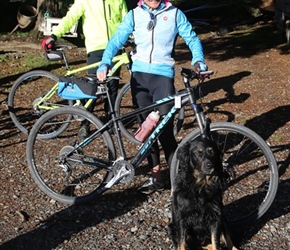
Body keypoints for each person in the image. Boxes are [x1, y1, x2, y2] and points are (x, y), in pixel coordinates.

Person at [97, 0, 207, 194]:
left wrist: (198, 60)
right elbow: (116, 40)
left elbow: (191, 38)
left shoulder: (174, 13)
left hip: (162, 78)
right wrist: (105, 62)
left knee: (165, 133)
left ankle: (176, 182)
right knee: (147, 133)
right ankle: (156, 178)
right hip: (139, 79)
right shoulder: (134, 14)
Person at [41, 0, 128, 138]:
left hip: (114, 48)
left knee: (111, 87)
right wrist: (54, 35)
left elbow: (126, 21)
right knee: (92, 88)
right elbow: (70, 18)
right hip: (95, 49)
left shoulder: (118, 0)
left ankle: (111, 121)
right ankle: (85, 123)